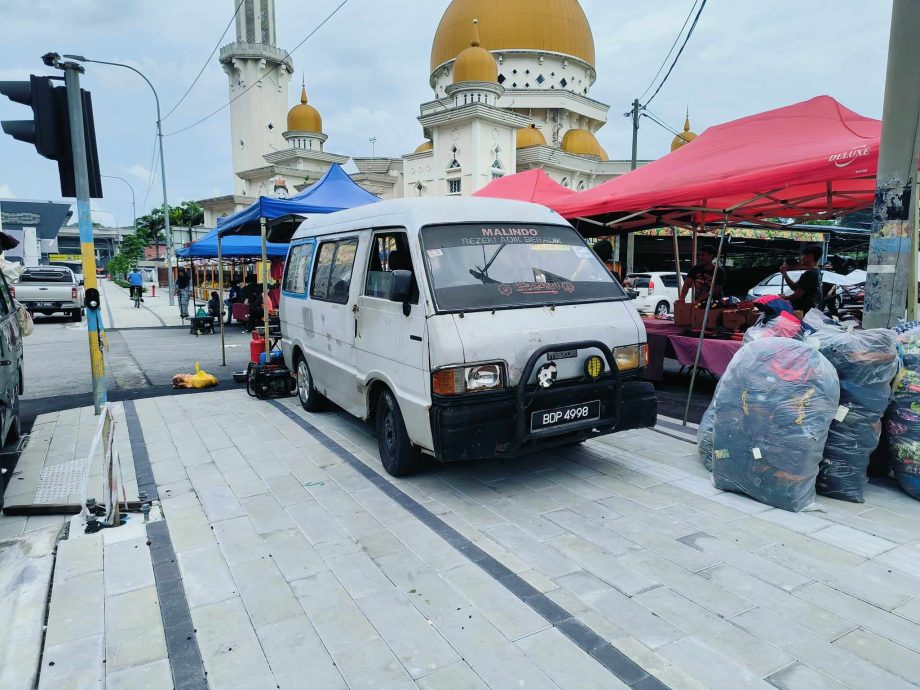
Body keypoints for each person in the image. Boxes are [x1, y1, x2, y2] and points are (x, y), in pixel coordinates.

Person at [781, 245, 825, 313]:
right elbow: (794, 287)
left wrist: (783, 297)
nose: (801, 258)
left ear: (810, 256)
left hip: (803, 312)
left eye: (803, 255)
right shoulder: (817, 272)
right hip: (808, 311)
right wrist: (784, 273)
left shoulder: (810, 273)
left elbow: (798, 295)